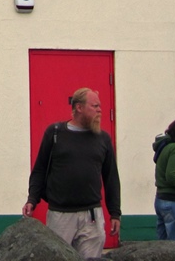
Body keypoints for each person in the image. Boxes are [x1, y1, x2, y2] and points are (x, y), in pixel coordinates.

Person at [23, 88, 122, 259]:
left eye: (100, 106)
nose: (100, 110)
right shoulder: (54, 133)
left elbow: (111, 177)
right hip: (60, 216)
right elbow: (39, 169)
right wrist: (32, 199)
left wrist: (115, 213)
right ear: (79, 107)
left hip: (91, 217)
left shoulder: (103, 139)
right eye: (95, 106)